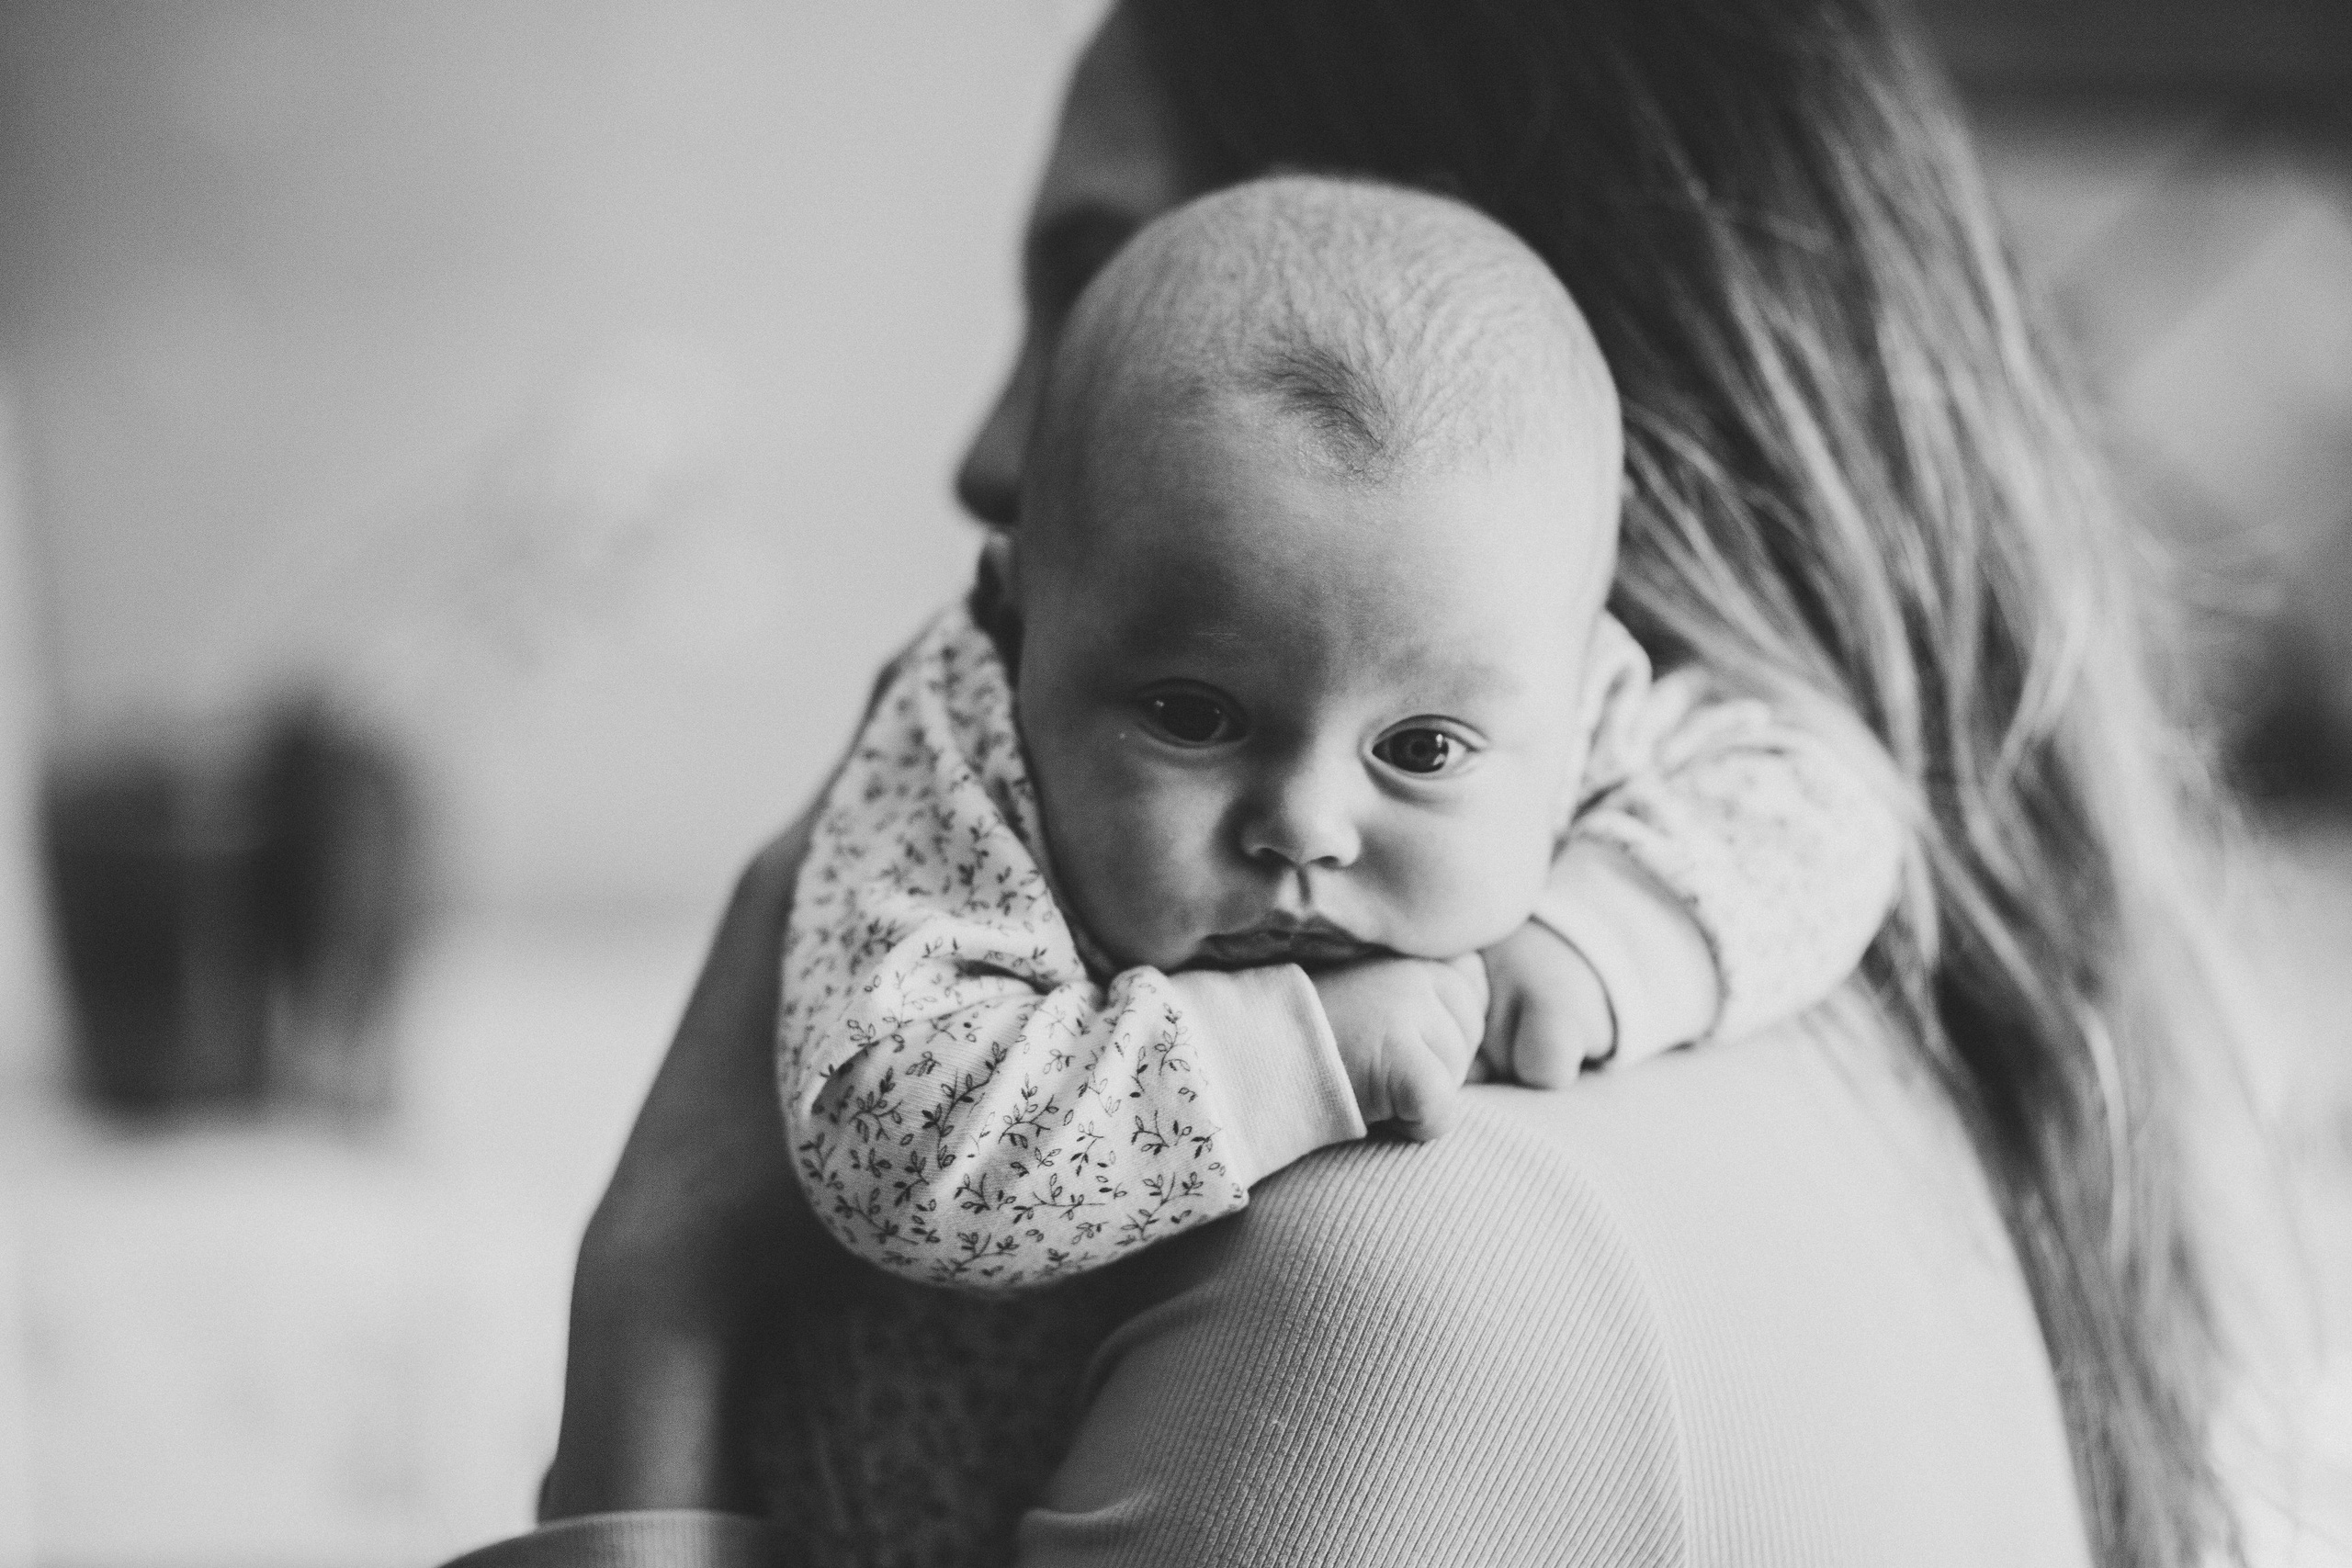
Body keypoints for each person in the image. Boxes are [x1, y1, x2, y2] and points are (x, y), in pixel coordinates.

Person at [447, 1, 2247, 1565]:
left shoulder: (1366, 1278)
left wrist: (653, 1302)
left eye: (1092, 281)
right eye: (1190, 714)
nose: (987, 454)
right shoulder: (1842, 1066)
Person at [785, 173, 1902, 1292]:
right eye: (1191, 717)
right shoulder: (958, 753)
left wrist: (1594, 940)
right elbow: (894, 1158)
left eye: (1419, 750)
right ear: (1016, 617)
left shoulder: (1546, 702)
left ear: (1587, 679)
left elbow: (1829, 811)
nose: (1304, 828)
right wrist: (1293, 1053)